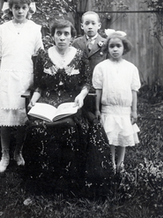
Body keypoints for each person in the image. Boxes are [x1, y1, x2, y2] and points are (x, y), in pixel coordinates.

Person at [22, 19, 112, 194]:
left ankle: (68, 180)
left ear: (72, 36)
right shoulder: (43, 55)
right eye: (58, 34)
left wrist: (81, 95)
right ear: (53, 36)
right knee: (36, 127)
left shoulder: (79, 56)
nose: (62, 38)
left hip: (71, 102)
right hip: (47, 102)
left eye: (66, 34)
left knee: (70, 125)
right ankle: (42, 180)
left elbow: (87, 82)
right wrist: (34, 97)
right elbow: (40, 83)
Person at [0, 0, 43, 173]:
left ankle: (17, 152)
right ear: (10, 9)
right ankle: (4, 155)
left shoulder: (35, 28)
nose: (20, 11)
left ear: (29, 9)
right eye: (16, 8)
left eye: (23, 8)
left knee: (22, 119)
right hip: (6, 78)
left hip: (25, 78)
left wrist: (37, 82)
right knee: (5, 120)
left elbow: (39, 57)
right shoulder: (4, 29)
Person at [92, 32, 141, 173]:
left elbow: (134, 90)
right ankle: (111, 163)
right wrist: (97, 109)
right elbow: (98, 90)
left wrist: (134, 110)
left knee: (123, 135)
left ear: (124, 48)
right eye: (111, 46)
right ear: (107, 48)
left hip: (124, 108)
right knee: (111, 137)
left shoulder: (131, 68)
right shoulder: (102, 67)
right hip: (109, 108)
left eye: (118, 46)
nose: (115, 49)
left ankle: (121, 163)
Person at [72, 11, 107, 113]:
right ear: (82, 26)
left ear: (99, 26)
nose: (90, 26)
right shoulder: (76, 43)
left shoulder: (105, 43)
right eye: (87, 23)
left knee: (97, 113)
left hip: (99, 87)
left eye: (93, 23)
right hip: (80, 86)